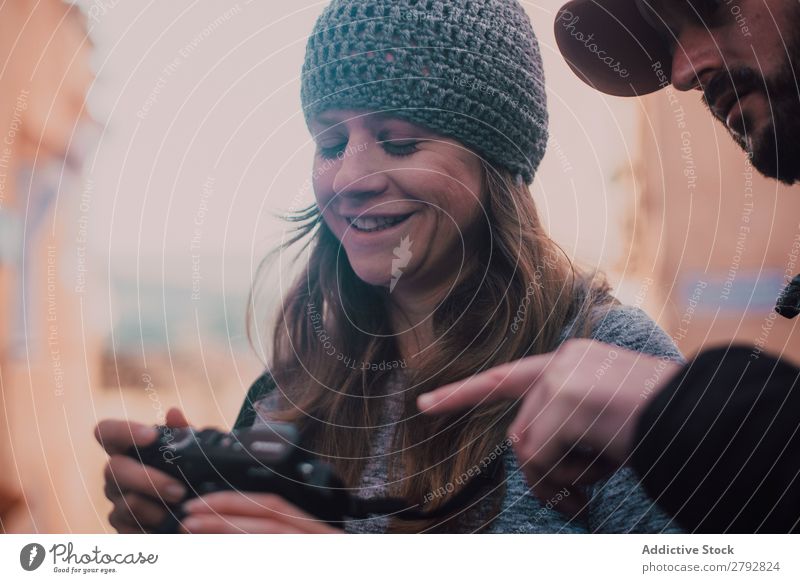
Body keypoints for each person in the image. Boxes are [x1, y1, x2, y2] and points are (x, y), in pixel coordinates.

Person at [96, 0, 685, 534]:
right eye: (329, 144)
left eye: (399, 142)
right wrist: (182, 532)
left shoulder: (615, 365)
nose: (350, 180)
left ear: (494, 163)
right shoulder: (289, 394)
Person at [418, 0, 800, 533]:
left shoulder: (607, 347)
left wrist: (682, 419)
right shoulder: (284, 394)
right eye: (331, 141)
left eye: (709, 8)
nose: (682, 72)